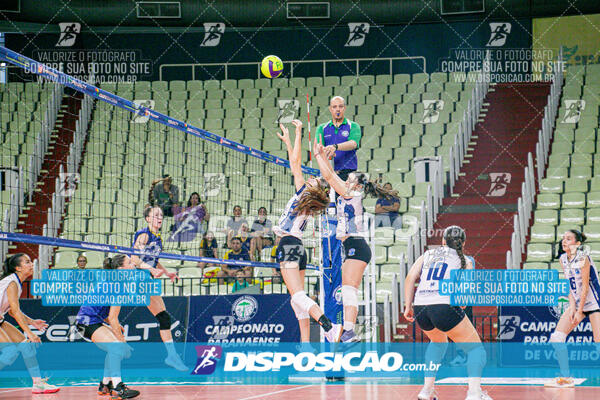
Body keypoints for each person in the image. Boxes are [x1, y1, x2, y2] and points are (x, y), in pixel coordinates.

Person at [314, 139, 398, 343]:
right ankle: (349, 332)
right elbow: (331, 177)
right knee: (349, 289)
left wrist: (318, 155)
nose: (347, 180)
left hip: (356, 246)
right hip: (353, 246)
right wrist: (324, 156)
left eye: (350, 178)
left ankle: (349, 331)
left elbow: (329, 176)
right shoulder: (348, 191)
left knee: (349, 289)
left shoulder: (352, 192)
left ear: (357, 184)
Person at [403, 226, 491, 400]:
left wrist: (407, 306)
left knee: (437, 343)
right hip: (443, 306)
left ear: (442, 241)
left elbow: (410, 277)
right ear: (463, 243)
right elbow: (466, 295)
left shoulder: (427, 254)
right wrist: (462, 304)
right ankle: (474, 393)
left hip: (421, 306)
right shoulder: (466, 260)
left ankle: (426, 391)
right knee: (476, 350)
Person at [275, 119, 338, 343]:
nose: (312, 178)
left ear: (314, 189)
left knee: (298, 296)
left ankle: (329, 326)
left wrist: (298, 132)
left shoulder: (304, 194)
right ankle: (305, 346)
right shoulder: (311, 203)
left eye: (315, 180)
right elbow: (294, 161)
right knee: (296, 298)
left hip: (288, 244)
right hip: (299, 248)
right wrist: (288, 139)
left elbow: (295, 161)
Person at [75, 255, 140, 399]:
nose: (133, 264)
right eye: (129, 263)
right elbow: (112, 317)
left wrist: (114, 326)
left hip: (91, 321)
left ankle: (105, 385)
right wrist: (122, 341)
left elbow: (102, 310)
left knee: (114, 348)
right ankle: (117, 388)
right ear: (121, 269)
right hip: (86, 323)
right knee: (117, 347)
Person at [131, 206, 187, 372]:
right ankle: (172, 356)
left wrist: (166, 271)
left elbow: (153, 259)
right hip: (138, 277)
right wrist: (150, 269)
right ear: (148, 218)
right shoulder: (144, 235)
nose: (160, 217)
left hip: (145, 277)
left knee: (164, 318)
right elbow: (134, 258)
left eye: (161, 215)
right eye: (156, 215)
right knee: (163, 318)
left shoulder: (158, 237)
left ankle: (172, 356)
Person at [545, 229, 600, 388]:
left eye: (568, 239)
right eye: (563, 238)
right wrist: (573, 308)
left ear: (577, 244)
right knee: (557, 337)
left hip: (594, 302)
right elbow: (570, 286)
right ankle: (566, 377)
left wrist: (579, 310)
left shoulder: (583, 258)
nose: (564, 241)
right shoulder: (563, 258)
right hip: (577, 303)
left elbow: (584, 289)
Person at [0, 253, 60, 394]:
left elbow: (13, 312)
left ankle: (38, 384)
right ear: (18, 268)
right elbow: (14, 310)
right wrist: (30, 332)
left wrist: (32, 322)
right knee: (9, 352)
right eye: (27, 262)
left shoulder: (15, 282)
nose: (31, 264)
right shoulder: (12, 283)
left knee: (26, 347)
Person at [315, 96, 362, 181]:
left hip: (348, 174)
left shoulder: (353, 126)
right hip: (328, 173)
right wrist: (327, 153)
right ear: (330, 109)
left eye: (340, 106)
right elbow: (319, 148)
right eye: (334, 107)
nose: (338, 109)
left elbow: (353, 143)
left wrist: (335, 147)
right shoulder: (321, 128)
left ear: (344, 108)